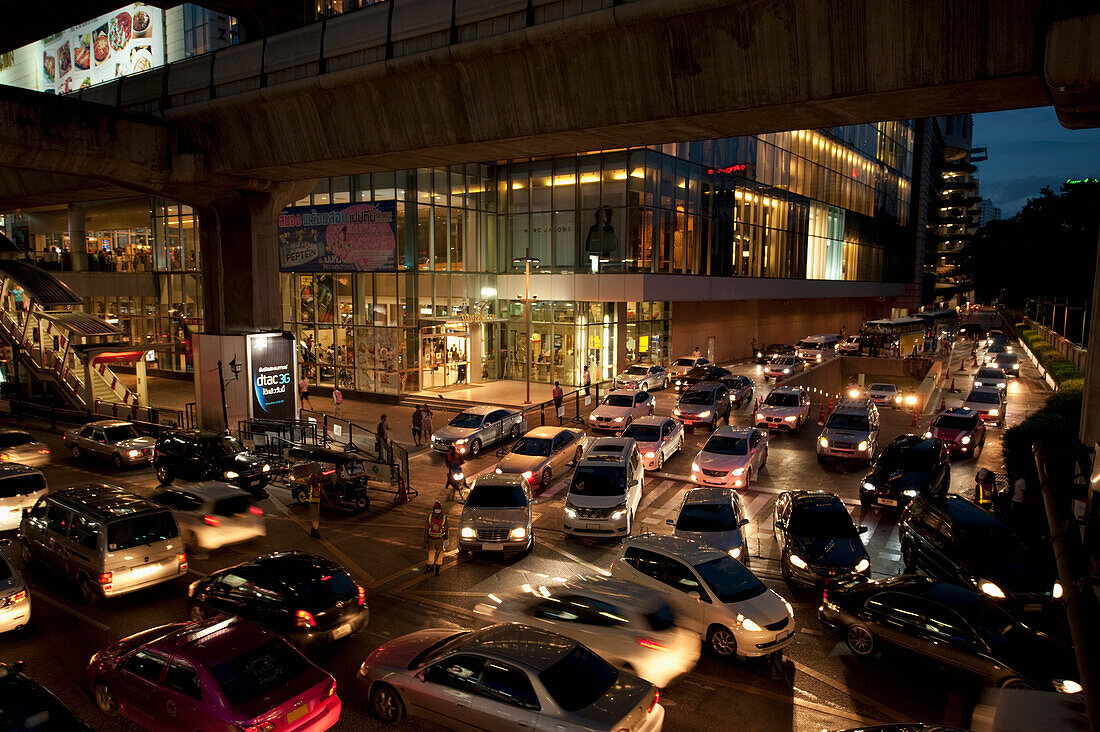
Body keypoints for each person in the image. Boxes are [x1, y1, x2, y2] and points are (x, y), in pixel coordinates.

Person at [423, 501, 447, 575]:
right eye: (436, 510)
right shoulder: (430, 517)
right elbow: (426, 528)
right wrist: (426, 539)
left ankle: (437, 568)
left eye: (438, 510)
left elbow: (446, 529)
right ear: (433, 510)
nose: (437, 512)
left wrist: (446, 539)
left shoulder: (444, 518)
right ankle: (431, 566)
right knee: (431, 553)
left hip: (440, 539)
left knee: (440, 554)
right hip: (431, 539)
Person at [307, 473, 322, 539]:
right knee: (314, 518)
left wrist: (328, 501)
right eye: (313, 479)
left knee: (316, 518)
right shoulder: (310, 486)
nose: (314, 480)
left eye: (315, 479)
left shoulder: (319, 485)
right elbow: (308, 484)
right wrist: (311, 479)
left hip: (317, 504)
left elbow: (323, 493)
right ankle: (315, 531)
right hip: (312, 504)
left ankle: (313, 531)